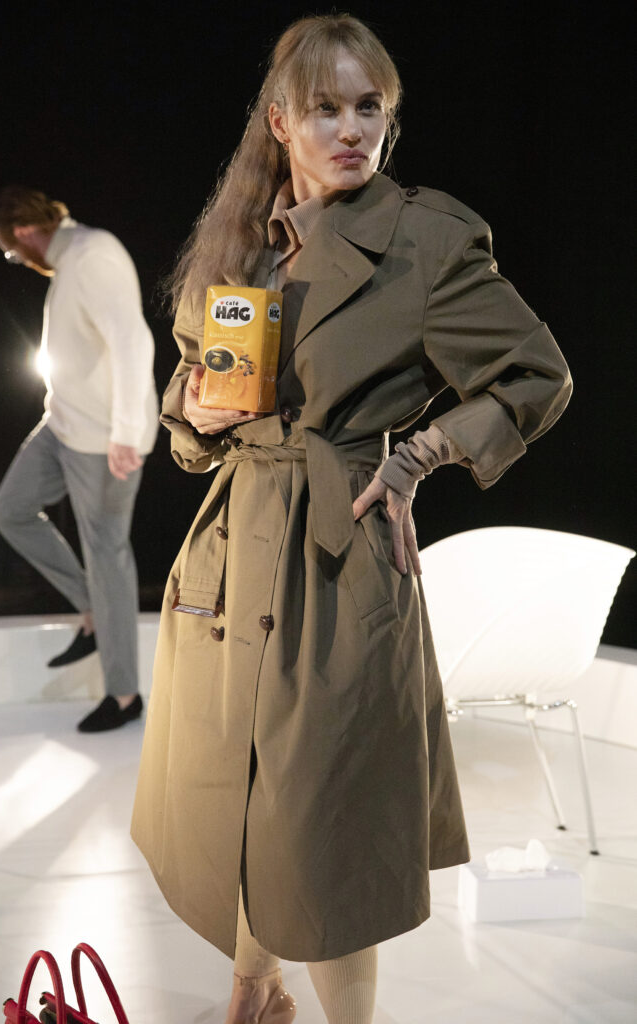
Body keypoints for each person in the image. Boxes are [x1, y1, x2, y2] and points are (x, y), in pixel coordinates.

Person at [132, 14, 572, 1023]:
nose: (350, 129)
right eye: (325, 108)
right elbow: (188, 426)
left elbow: (536, 376)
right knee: (236, 798)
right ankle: (254, 992)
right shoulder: (238, 248)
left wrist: (419, 454)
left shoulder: (424, 241)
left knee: (321, 832)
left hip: (337, 559)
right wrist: (191, 409)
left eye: (368, 106)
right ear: (279, 122)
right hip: (228, 558)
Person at [0, 186, 159, 733]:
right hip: (61, 425)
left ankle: (125, 696)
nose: (18, 260)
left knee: (108, 555)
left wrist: (127, 432)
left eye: (12, 252)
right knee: (11, 511)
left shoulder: (92, 255)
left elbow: (132, 344)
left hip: (103, 439)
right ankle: (92, 612)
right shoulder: (68, 263)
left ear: (23, 234)